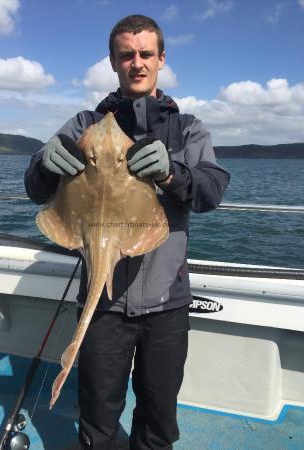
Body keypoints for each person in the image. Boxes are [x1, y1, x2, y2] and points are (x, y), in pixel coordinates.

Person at [25, 14, 230, 450]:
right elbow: (36, 189)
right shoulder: (84, 125)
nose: (136, 62)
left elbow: (212, 190)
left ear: (160, 59)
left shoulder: (188, 127)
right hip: (104, 307)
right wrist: (44, 163)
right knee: (97, 418)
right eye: (126, 55)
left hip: (166, 305)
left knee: (158, 419)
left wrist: (173, 174)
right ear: (114, 62)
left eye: (145, 54)